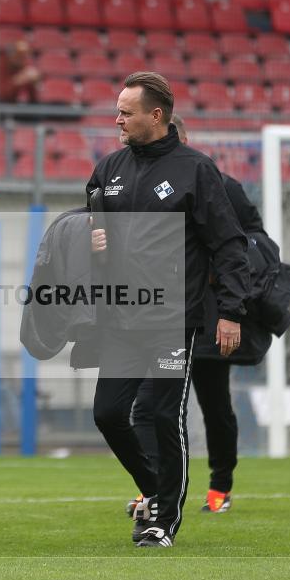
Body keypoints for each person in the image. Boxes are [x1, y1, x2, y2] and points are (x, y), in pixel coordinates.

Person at [88, 72, 250, 548]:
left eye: (125, 112)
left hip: (172, 320)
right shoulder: (108, 170)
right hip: (122, 316)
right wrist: (93, 243)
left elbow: (229, 244)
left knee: (163, 413)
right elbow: (97, 237)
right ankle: (157, 486)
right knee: (108, 413)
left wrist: (231, 310)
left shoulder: (196, 170)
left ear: (155, 115)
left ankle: (162, 520)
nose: (117, 119)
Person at [127, 114, 267, 542]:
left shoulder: (222, 185)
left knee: (212, 401)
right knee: (154, 407)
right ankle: (156, 489)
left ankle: (220, 485)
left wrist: (227, 296)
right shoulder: (146, 182)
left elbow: (252, 241)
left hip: (213, 314)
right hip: (172, 311)